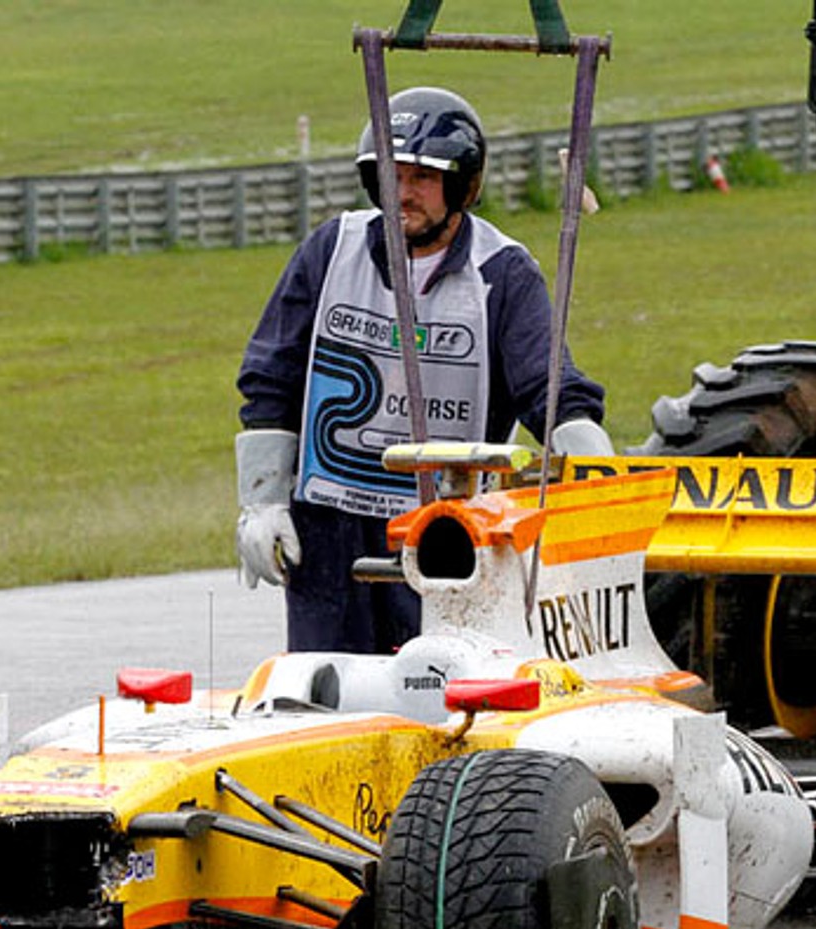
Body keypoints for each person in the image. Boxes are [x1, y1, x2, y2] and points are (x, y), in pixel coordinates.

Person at [234, 86, 610, 654]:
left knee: (437, 686)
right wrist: (260, 502)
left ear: (463, 185)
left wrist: (598, 479)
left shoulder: (502, 273)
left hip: (446, 530)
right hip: (330, 528)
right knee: (323, 692)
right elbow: (271, 376)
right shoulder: (330, 250)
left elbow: (548, 389)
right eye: (393, 175)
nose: (403, 194)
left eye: (422, 179)